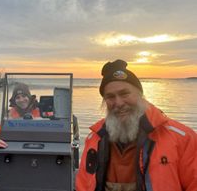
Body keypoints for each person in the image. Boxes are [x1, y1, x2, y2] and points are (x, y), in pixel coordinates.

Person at [76, 59, 197, 191]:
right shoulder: (94, 139)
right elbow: (83, 186)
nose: (119, 103)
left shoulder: (182, 139)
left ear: (140, 95)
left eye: (124, 94)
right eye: (110, 97)